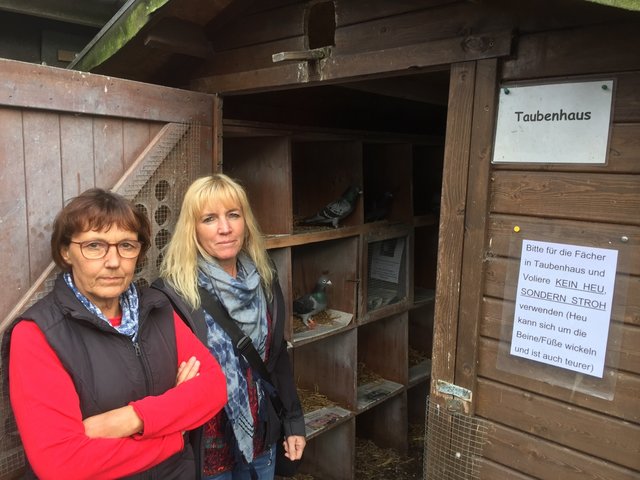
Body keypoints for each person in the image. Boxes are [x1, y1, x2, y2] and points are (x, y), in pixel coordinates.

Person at [4, 188, 227, 480]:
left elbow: (213, 388)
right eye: (94, 246)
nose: (113, 261)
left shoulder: (156, 309)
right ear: (65, 251)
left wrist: (130, 419)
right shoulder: (38, 335)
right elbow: (61, 464)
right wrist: (175, 431)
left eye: (126, 245)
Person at [155, 174, 306, 480]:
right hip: (207, 452)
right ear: (192, 229)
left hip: (264, 436)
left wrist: (293, 423)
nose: (225, 228)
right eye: (209, 218)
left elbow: (276, 359)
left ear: (245, 221)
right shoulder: (172, 295)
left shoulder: (265, 279)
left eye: (233, 215)